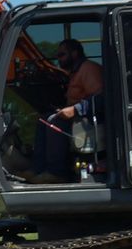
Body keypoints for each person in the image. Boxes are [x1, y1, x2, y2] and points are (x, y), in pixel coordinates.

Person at [29, 39, 106, 181]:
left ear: (75, 53)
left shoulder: (89, 69)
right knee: (44, 119)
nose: (58, 59)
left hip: (90, 119)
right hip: (78, 117)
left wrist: (76, 109)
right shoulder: (75, 73)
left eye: (62, 55)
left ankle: (56, 172)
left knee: (54, 123)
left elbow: (102, 97)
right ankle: (37, 169)